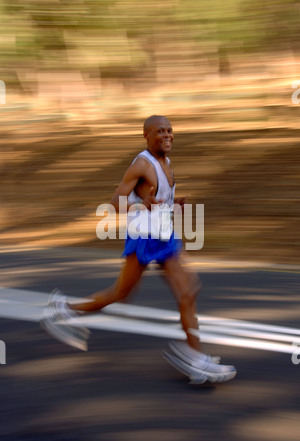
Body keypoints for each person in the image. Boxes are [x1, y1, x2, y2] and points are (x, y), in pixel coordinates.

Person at [41, 115, 236, 384]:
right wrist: (140, 206)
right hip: (144, 238)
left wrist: (171, 203)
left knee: (189, 290)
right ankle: (63, 308)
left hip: (164, 236)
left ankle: (193, 356)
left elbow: (157, 200)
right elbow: (114, 203)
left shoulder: (165, 162)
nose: (166, 135)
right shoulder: (142, 163)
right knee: (120, 294)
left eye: (169, 131)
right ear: (146, 134)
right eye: (159, 131)